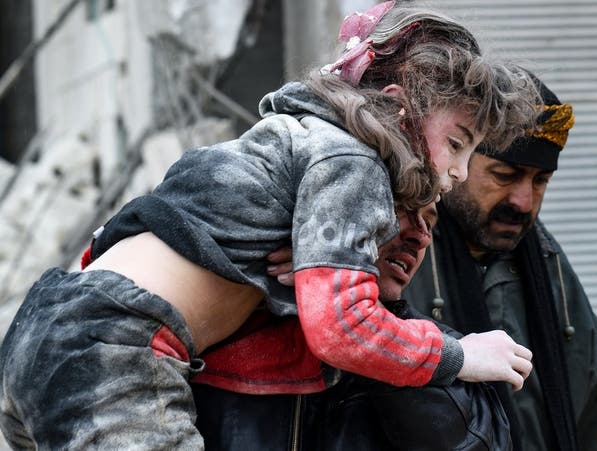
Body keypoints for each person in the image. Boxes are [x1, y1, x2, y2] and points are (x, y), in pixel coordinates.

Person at [0, 2, 537, 448]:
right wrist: (460, 356)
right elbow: (344, 330)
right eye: (457, 144)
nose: (459, 172)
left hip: (47, 326)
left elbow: (152, 219)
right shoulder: (353, 160)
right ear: (399, 109)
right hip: (116, 349)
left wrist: (301, 267)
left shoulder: (285, 142)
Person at [405, 74, 597, 451]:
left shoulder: (547, 264)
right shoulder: (400, 257)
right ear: (456, 161)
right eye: (505, 175)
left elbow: (593, 428)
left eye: (541, 181)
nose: (524, 201)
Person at [193, 201, 512, 450]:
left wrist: (369, 323)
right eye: (400, 207)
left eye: (429, 222)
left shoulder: (451, 348)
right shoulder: (219, 315)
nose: (421, 236)